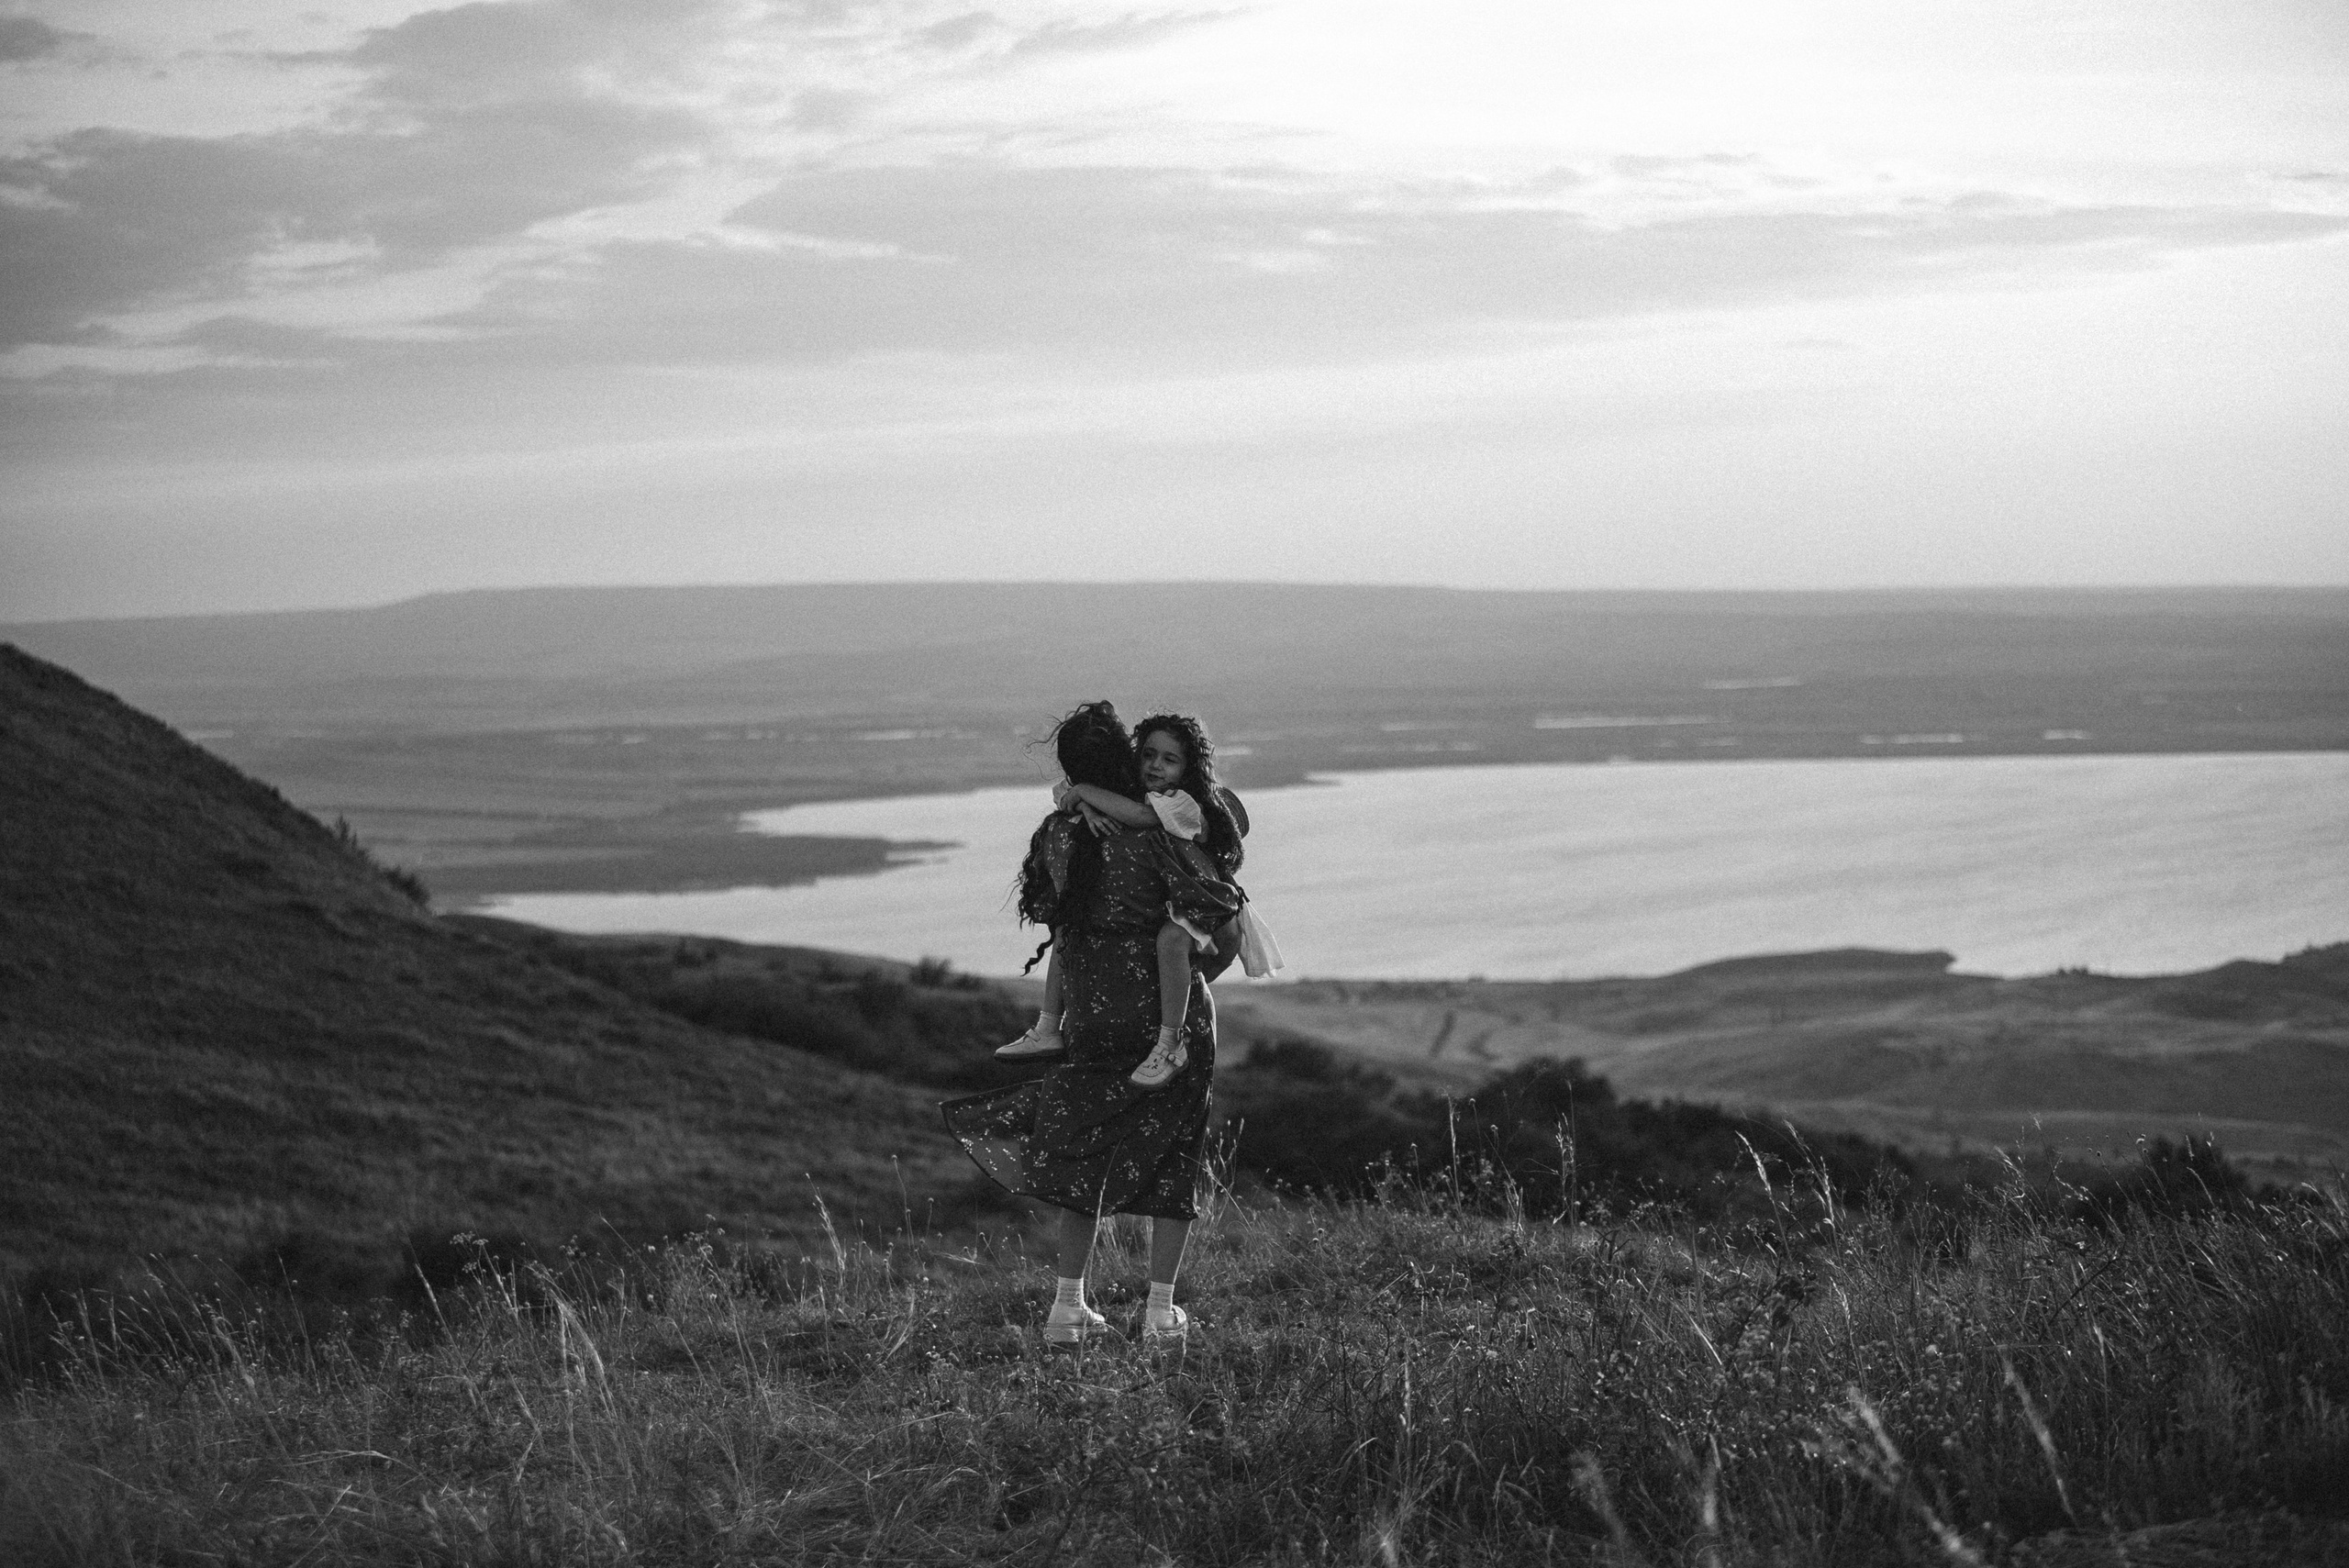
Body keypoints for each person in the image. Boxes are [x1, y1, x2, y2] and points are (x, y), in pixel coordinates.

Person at [940, 701, 1228, 1350]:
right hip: (1165, 1014)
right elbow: (1217, 908)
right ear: (1123, 762)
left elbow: (1053, 915)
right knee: (1177, 1149)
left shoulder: (1057, 833)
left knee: (1086, 1155)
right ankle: (1159, 1312)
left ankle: (1068, 1306)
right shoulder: (1162, 833)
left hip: (1091, 1012)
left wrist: (1072, 801)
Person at [1004, 712, 1280, 1090]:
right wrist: (1085, 804)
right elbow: (1064, 793)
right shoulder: (1138, 794)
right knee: (1069, 923)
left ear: (1188, 768)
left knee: (1170, 940)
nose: (1155, 766)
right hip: (1184, 899)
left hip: (1203, 900)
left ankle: (1169, 1043)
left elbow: (1139, 815)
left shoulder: (1181, 805)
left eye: (1169, 760)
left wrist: (1085, 795)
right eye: (1149, 755)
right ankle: (1048, 1025)